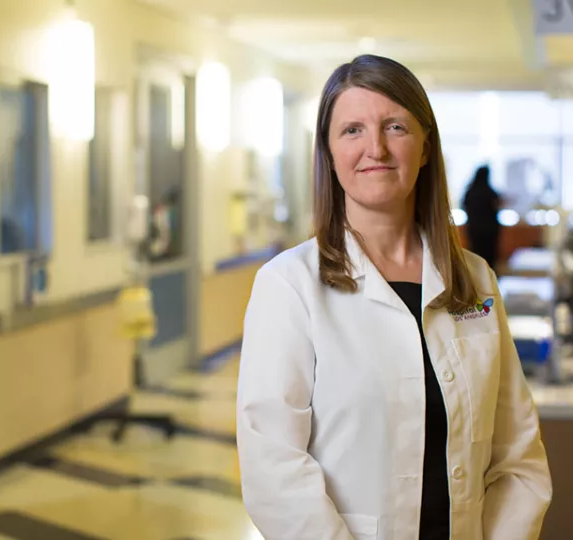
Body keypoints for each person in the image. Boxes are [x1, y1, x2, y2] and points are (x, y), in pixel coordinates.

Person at [236, 55, 552, 540]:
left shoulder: (476, 281)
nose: (375, 147)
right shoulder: (289, 285)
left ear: (425, 147)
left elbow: (518, 456)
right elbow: (273, 468)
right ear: (329, 151)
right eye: (352, 130)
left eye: (395, 126)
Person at [462, 166, 502, 270]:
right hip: (489, 231)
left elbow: (464, 206)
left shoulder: (470, 191)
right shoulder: (490, 192)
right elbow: (497, 206)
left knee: (476, 256)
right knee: (489, 258)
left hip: (474, 230)